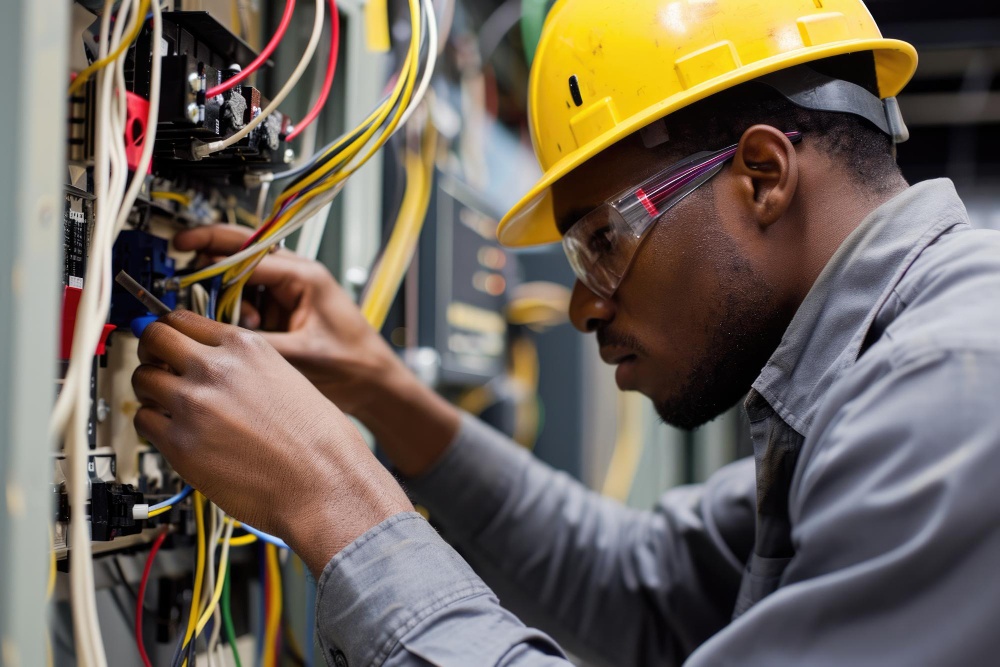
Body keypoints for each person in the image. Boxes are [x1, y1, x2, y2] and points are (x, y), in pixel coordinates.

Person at [131, 0, 1000, 664]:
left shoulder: (950, 396)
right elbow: (641, 588)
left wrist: (334, 498)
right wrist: (382, 393)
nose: (584, 306)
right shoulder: (882, 373)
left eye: (600, 242)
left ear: (763, 175)